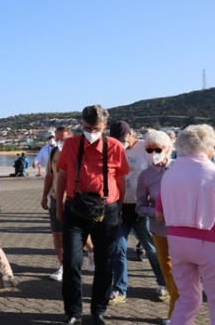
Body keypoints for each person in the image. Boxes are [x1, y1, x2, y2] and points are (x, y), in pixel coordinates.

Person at [55, 105, 130, 325]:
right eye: (87, 127)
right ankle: (73, 312)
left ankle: (98, 310)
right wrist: (59, 206)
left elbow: (120, 181)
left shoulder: (115, 147)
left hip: (106, 210)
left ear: (105, 126)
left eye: (96, 128)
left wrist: (119, 207)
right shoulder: (70, 144)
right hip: (75, 208)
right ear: (81, 124)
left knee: (105, 263)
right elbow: (61, 175)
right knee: (71, 262)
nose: (91, 132)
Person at [156, 124, 215, 324]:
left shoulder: (169, 174)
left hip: (177, 241)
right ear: (208, 147)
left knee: (187, 299)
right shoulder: (212, 172)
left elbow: (159, 213)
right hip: (209, 241)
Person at [108, 121, 167, 305]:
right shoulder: (115, 149)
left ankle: (163, 284)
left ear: (131, 133)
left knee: (151, 249)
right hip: (121, 206)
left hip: (142, 207)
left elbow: (156, 172)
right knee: (118, 248)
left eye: (123, 139)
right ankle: (119, 289)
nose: (121, 143)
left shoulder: (145, 148)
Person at [41, 126, 95, 281]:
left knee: (79, 234)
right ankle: (63, 266)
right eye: (57, 139)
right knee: (57, 234)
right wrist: (44, 196)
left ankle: (92, 252)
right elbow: (50, 175)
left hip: (75, 198)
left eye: (63, 139)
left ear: (71, 137)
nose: (59, 142)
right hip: (55, 198)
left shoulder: (80, 152)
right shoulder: (53, 153)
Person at [136, 130, 177, 324]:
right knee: (167, 270)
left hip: (185, 230)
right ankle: (175, 313)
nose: (153, 153)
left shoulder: (180, 168)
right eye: (149, 150)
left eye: (157, 149)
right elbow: (140, 205)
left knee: (188, 271)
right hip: (160, 229)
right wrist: (155, 213)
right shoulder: (145, 176)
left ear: (168, 149)